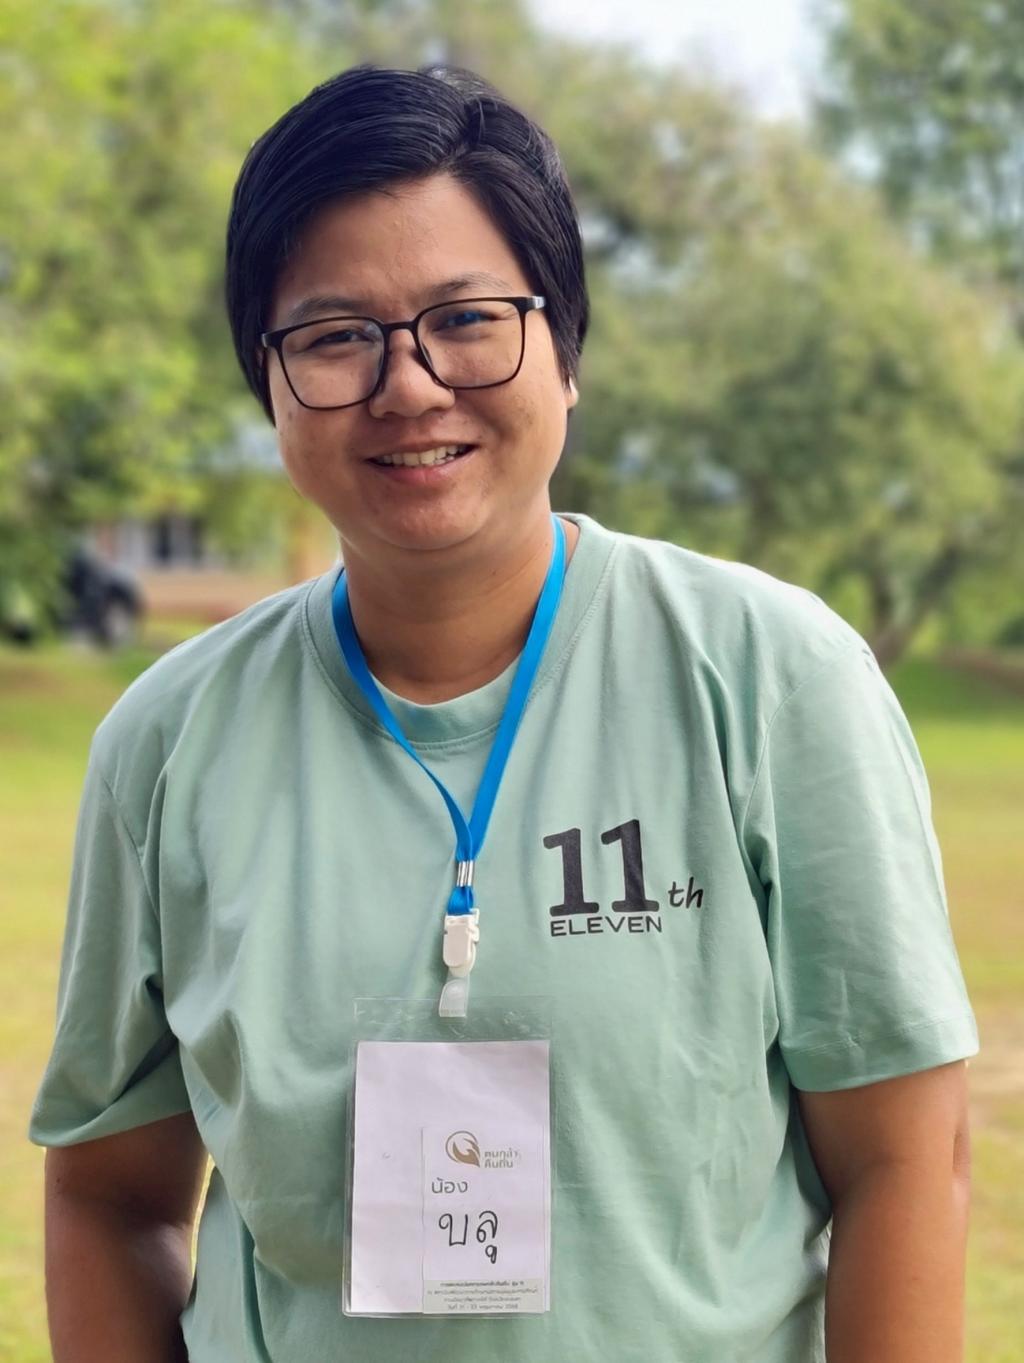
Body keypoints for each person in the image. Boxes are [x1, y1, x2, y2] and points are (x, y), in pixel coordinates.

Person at [31, 63, 978, 1363]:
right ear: (270, 384)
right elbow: (108, 1197)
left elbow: (905, 1166)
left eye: (468, 318)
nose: (410, 384)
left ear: (565, 349)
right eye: (335, 336)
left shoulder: (773, 680)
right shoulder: (166, 744)